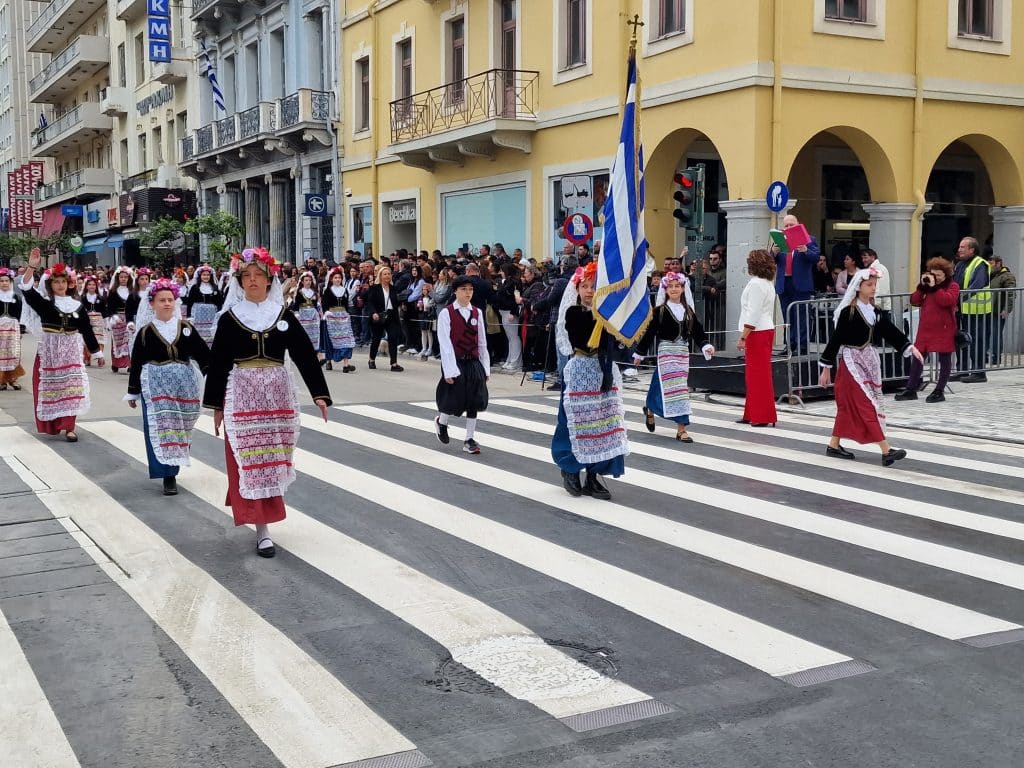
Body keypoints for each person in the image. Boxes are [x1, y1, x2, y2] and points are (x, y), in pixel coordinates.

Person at [203, 248, 331, 558]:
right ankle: (261, 527)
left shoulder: (282, 315)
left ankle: (266, 520)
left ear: (269, 278)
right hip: (241, 394)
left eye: (258, 275)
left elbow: (303, 353)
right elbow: (219, 362)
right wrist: (217, 404)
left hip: (277, 395)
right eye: (246, 276)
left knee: (271, 458)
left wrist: (319, 393)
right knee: (247, 459)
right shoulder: (231, 318)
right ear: (239, 281)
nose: (252, 281)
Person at [819, 268, 923, 466]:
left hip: (868, 361)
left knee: (849, 407)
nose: (874, 288)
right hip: (851, 363)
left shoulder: (874, 311)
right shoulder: (848, 312)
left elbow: (890, 331)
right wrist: (826, 368)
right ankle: (886, 450)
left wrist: (909, 346)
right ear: (858, 287)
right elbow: (836, 339)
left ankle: (833, 445)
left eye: (875, 284)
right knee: (866, 404)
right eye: (869, 285)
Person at [125, 278, 211, 496]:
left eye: (170, 300)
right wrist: (133, 391)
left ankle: (174, 464)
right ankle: (167, 475)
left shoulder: (186, 329)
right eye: (161, 300)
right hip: (155, 386)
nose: (166, 304)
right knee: (162, 427)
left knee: (181, 427)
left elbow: (203, 355)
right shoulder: (145, 332)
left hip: (185, 385)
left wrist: (212, 375)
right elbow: (136, 362)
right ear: (152, 303)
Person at [551, 262, 628, 500]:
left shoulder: (606, 315)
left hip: (603, 369)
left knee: (604, 421)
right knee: (577, 421)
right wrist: (602, 315)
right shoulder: (574, 313)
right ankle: (571, 469)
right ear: (577, 289)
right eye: (584, 286)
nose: (589, 290)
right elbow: (583, 338)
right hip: (581, 369)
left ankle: (594, 475)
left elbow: (612, 342)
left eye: (594, 286)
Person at [19, 250, 103, 442]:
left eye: (63, 281)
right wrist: (32, 266)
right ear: (50, 285)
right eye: (56, 282)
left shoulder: (77, 306)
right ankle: (54, 424)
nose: (60, 285)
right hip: (50, 352)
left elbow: (87, 330)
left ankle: (70, 427)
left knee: (71, 388)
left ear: (69, 284)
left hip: (71, 352)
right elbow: (26, 289)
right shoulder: (45, 304)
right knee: (53, 389)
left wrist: (97, 353)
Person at [633, 272, 715, 442]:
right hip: (666, 351)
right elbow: (649, 333)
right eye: (670, 286)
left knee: (664, 383)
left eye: (677, 286)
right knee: (677, 389)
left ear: (683, 288)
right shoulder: (660, 311)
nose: (674, 289)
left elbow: (697, 331)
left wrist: (706, 345)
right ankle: (681, 428)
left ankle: (650, 407)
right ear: (665, 289)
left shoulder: (688, 310)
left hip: (682, 353)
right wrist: (640, 353)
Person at [434, 275, 491, 455]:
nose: (468, 293)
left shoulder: (477, 312)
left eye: (470, 289)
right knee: (453, 398)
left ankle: (469, 438)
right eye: (464, 289)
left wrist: (485, 366)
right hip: (455, 360)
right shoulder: (447, 313)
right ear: (456, 291)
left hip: (473, 361)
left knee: (474, 399)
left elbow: (482, 341)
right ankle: (442, 422)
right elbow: (445, 342)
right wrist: (449, 369)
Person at [895, 258, 959, 403]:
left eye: (938, 275)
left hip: (944, 327)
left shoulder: (952, 286)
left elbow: (947, 301)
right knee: (918, 357)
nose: (935, 278)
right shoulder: (928, 287)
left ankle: (939, 390)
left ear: (945, 275)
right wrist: (922, 287)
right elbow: (914, 301)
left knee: (944, 359)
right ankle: (911, 389)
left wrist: (934, 287)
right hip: (926, 328)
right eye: (933, 274)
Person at [736, 249, 778, 427]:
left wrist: (743, 337)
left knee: (757, 376)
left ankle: (761, 416)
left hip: (756, 331)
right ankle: (753, 412)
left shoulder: (755, 284)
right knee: (757, 375)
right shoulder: (768, 283)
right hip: (765, 328)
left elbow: (752, 313)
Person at [772, 213, 820, 355]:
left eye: (791, 225)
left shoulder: (809, 239)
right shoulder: (780, 242)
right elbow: (769, 262)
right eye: (786, 226)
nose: (788, 227)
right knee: (788, 316)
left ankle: (802, 345)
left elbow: (816, 258)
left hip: (801, 284)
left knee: (802, 315)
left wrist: (806, 250)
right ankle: (790, 345)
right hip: (784, 283)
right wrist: (773, 253)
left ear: (798, 225)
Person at [953, 236, 991, 382]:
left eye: (963, 247)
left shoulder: (980, 264)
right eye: (959, 247)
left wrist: (957, 299)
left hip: (977, 310)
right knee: (960, 339)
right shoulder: (960, 264)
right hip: (961, 310)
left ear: (972, 249)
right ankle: (962, 370)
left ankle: (979, 372)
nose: (959, 249)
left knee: (976, 341)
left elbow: (976, 285)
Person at [365, 266, 404, 371]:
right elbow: (370, 302)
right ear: (380, 276)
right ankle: (371, 359)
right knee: (376, 338)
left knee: (393, 338)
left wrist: (402, 302)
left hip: (392, 316)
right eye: (385, 274)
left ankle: (394, 364)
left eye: (389, 274)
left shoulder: (393, 288)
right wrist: (373, 313)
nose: (387, 276)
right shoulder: (375, 288)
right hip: (379, 316)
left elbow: (395, 302)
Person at [321, 266, 356, 372]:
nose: (337, 279)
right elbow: (324, 304)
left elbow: (347, 304)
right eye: (335, 277)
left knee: (346, 340)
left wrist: (347, 313)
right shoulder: (328, 290)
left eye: (339, 278)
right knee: (331, 340)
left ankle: (346, 364)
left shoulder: (344, 290)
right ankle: (328, 361)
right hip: (332, 317)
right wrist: (326, 312)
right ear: (332, 279)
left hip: (343, 317)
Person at [184, 265, 223, 345]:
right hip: (198, 315)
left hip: (211, 315)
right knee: (198, 334)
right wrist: (189, 317)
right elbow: (190, 303)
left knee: (210, 334)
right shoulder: (195, 288)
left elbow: (219, 303)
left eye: (208, 275)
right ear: (200, 276)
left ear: (211, 276)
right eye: (204, 275)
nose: (206, 277)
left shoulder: (215, 288)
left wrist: (219, 316)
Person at [988, 254, 1016, 366]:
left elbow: (1011, 294)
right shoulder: (991, 275)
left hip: (998, 310)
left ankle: (996, 357)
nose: (989, 265)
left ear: (998, 263)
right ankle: (986, 355)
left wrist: (1006, 309)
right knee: (987, 333)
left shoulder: (1007, 276)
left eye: (991, 263)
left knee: (996, 333)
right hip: (988, 309)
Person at [0, 267, 25, 391]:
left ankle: (13, 379)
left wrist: (21, 328)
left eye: (6, 281)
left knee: (13, 353)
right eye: (2, 281)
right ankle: (2, 381)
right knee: (1, 354)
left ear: (10, 282)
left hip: (13, 328)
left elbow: (21, 314)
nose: (4, 283)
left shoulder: (16, 298)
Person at [106, 266, 133, 373]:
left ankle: (129, 364)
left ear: (129, 278)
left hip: (129, 318)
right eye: (121, 277)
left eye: (125, 277)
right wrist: (113, 317)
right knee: (117, 342)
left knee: (129, 341)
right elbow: (110, 307)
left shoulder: (132, 291)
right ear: (118, 278)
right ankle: (116, 363)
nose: (123, 279)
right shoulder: (113, 291)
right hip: (117, 319)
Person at [291, 270, 323, 357]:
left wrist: (319, 310)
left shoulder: (314, 292)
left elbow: (317, 304)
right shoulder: (299, 292)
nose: (308, 282)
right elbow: (296, 305)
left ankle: (316, 354)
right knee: (304, 334)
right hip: (303, 315)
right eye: (306, 280)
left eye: (310, 280)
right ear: (302, 281)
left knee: (315, 334)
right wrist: (297, 313)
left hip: (313, 315)